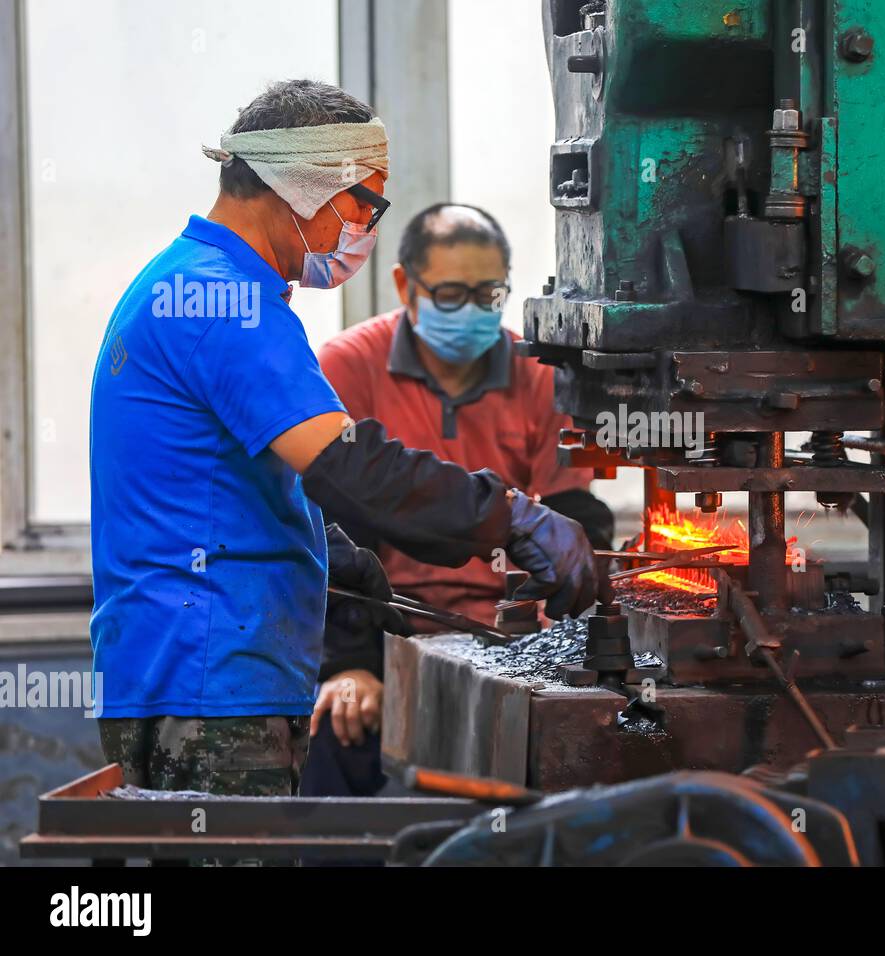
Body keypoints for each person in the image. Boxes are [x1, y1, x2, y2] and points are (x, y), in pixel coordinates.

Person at [89, 79, 600, 799]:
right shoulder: (225, 304)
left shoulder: (190, 282)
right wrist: (507, 514)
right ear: (309, 184)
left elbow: (224, 483)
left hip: (185, 662)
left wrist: (335, 556)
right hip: (209, 676)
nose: (367, 223)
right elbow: (349, 467)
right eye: (367, 200)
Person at [302, 204, 614, 796]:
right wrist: (349, 666)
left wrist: (564, 620)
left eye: (488, 294)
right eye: (449, 294)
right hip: (387, 639)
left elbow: (574, 519)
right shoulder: (346, 368)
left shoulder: (542, 376)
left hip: (516, 640)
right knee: (332, 739)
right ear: (404, 285)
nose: (471, 313)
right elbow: (328, 541)